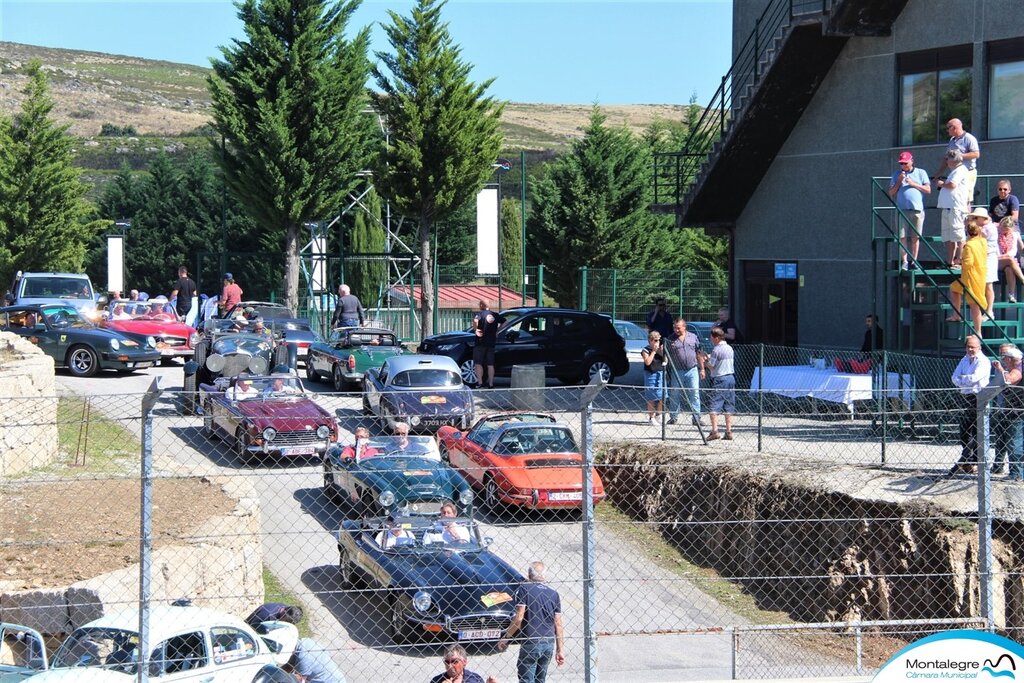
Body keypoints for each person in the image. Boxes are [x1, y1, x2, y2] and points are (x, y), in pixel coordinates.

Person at [497, 561, 564, 683]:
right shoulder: (554, 594)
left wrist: (506, 637)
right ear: (544, 576)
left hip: (531, 640)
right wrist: (560, 650)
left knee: (526, 679)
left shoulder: (524, 589)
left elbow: (518, 619)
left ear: (528, 575)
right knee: (540, 679)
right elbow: (558, 624)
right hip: (548, 642)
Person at [949, 334, 991, 477]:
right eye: (968, 346)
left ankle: (978, 462)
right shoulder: (964, 359)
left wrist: (962, 379)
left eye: (973, 347)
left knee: (978, 431)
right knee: (965, 430)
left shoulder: (983, 361)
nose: (970, 349)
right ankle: (967, 459)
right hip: (966, 396)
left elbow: (975, 378)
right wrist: (964, 380)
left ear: (979, 347)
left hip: (979, 397)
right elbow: (954, 377)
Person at [888, 151, 931, 270]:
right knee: (902, 237)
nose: (903, 166)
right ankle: (905, 261)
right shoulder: (897, 174)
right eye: (901, 163)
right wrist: (899, 181)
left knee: (915, 237)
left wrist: (913, 184)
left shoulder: (921, 173)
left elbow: (928, 190)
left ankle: (914, 261)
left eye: (905, 163)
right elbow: (891, 192)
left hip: (917, 210)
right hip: (902, 210)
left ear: (912, 161)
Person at [948, 215, 988, 333]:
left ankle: (978, 331)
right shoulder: (982, 241)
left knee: (974, 304)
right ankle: (956, 314)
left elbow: (968, 263)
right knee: (954, 288)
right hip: (980, 273)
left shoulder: (969, 246)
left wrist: (959, 261)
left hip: (971, 277)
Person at [664, 318, 705, 426]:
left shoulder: (693, 337)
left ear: (684, 327)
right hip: (677, 370)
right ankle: (673, 417)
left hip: (692, 370)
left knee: (694, 393)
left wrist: (702, 369)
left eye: (678, 328)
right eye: (674, 328)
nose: (676, 330)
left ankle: (696, 418)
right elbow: (665, 355)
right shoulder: (670, 339)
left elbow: (699, 353)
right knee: (675, 393)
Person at [991, 345, 1023, 477]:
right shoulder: (1014, 368)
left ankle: (1017, 474)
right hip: (1010, 411)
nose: (1003, 360)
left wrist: (1000, 369)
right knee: (1006, 441)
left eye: (1005, 358)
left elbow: (1009, 380)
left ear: (1011, 359)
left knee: (1014, 443)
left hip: (1017, 412)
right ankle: (1008, 470)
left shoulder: (1017, 370)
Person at [936, 149, 970, 268]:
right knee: (948, 236)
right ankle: (950, 262)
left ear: (953, 160)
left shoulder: (960, 170)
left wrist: (941, 184)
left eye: (947, 160)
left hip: (956, 208)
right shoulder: (955, 171)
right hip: (948, 208)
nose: (946, 162)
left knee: (958, 234)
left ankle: (959, 260)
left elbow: (952, 185)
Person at [936, 118, 980, 207]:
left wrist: (958, 156)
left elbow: (976, 154)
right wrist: (938, 173)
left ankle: (966, 219)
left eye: (948, 127)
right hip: (955, 172)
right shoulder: (952, 140)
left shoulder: (969, 138)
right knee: (956, 195)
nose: (947, 130)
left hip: (967, 172)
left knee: (966, 197)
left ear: (954, 127)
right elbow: (947, 158)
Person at [705, 326, 735, 441]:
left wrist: (704, 359)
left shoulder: (716, 350)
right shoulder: (729, 348)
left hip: (720, 378)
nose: (711, 340)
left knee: (714, 405)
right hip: (731, 377)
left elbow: (712, 366)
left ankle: (715, 431)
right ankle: (728, 431)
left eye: (712, 337)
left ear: (716, 338)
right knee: (729, 405)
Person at [428, 644, 499, 683]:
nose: (449, 666)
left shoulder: (475, 679)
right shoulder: (437, 680)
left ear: (464, 662)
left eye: (454, 661)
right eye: (447, 662)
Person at [641, 331, 666, 425]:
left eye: (658, 340)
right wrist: (654, 351)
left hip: (660, 373)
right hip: (650, 374)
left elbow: (666, 360)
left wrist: (661, 351)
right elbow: (647, 362)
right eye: (655, 340)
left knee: (662, 396)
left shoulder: (661, 348)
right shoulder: (645, 350)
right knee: (651, 397)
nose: (657, 342)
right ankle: (651, 417)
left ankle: (659, 415)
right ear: (650, 341)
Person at [997, 216, 1024, 303]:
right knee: (1010, 260)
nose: (1004, 231)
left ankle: (1011, 295)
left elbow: (1021, 249)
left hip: (1010, 261)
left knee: (1009, 269)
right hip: (997, 260)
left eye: (1006, 230)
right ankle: (1023, 279)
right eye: (1002, 229)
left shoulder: (1015, 234)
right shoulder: (995, 234)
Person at [473, 299, 498, 389]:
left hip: (480, 343)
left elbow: (475, 321)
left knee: (478, 363)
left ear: (481, 305)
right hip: (491, 343)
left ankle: (480, 383)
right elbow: (505, 321)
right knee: (490, 364)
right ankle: (491, 384)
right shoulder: (495, 315)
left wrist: (476, 330)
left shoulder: (479, 314)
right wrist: (497, 331)